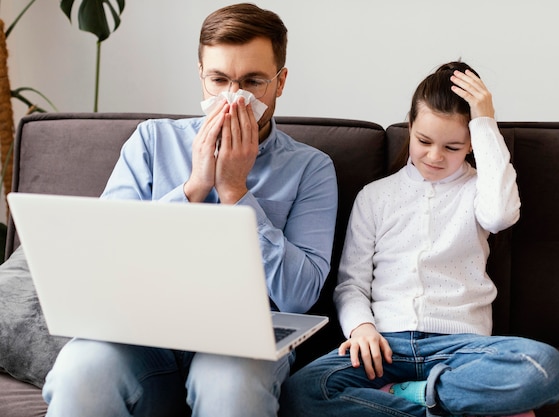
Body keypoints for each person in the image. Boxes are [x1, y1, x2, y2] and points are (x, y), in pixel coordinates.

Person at [42, 4, 338, 417]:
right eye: (219, 79)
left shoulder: (311, 168)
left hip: (244, 339)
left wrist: (236, 193)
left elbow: (300, 295)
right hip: (143, 334)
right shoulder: (151, 142)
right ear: (201, 74)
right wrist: (194, 187)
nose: (234, 96)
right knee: (80, 370)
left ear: (280, 81)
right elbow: (108, 261)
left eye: (253, 81)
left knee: (229, 386)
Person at [279, 62, 559, 417]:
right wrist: (362, 328)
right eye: (424, 141)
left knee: (544, 367)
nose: (434, 156)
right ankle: (453, 406)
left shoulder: (481, 189)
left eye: (453, 146)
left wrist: (485, 121)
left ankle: (415, 395)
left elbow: (501, 215)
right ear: (410, 126)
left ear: (472, 144)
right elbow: (351, 284)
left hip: (461, 349)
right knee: (301, 391)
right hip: (385, 346)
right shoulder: (375, 196)